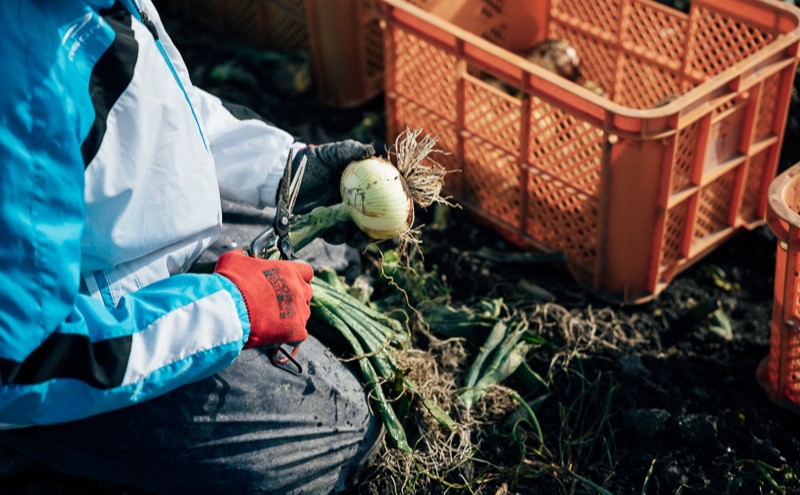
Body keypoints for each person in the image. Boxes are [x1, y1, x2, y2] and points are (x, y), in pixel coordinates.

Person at [0, 0, 383, 493]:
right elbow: (20, 365)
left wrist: (284, 169)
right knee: (339, 432)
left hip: (103, 254)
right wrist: (231, 308)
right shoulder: (25, 90)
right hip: (65, 359)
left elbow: (149, 103)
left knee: (323, 242)